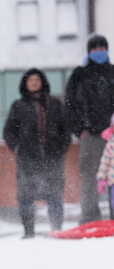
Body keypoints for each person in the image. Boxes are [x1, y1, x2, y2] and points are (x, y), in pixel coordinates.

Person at [3, 68, 71, 238]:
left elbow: (65, 129)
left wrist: (61, 147)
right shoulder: (18, 105)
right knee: (26, 196)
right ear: (25, 84)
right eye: (31, 80)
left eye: (37, 80)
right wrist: (18, 148)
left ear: (43, 82)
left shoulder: (55, 104)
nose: (34, 82)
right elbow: (8, 131)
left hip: (52, 156)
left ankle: (56, 228)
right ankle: (29, 231)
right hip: (27, 157)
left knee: (55, 194)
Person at [65, 34, 114, 224]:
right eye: (95, 49)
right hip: (90, 135)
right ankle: (90, 217)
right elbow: (70, 104)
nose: (99, 51)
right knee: (90, 175)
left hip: (112, 135)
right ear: (89, 52)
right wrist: (79, 130)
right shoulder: (79, 74)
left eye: (102, 48)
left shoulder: (112, 72)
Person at [96, 114, 114, 219]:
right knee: (113, 202)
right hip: (113, 179)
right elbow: (105, 161)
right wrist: (101, 178)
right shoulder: (111, 143)